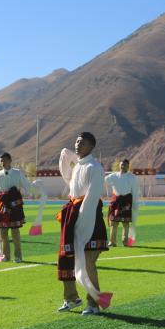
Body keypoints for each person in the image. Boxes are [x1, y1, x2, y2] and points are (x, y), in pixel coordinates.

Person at [56, 132, 112, 315]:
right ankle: (71, 298)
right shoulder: (78, 166)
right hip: (73, 216)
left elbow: (92, 197)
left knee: (88, 263)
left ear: (91, 146)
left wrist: (81, 224)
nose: (77, 145)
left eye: (82, 142)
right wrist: (67, 152)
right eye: (76, 141)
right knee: (67, 259)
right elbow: (66, 155)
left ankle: (94, 304)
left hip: (89, 218)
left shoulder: (94, 167)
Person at [0, 152, 31, 263]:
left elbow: (27, 185)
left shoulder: (18, 173)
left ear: (10, 160)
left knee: (15, 232)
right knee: (3, 232)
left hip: (15, 205)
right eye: (1, 161)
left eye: (4, 160)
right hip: (3, 205)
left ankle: (18, 256)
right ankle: (6, 256)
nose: (2, 163)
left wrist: (35, 188)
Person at [104, 159, 140, 247]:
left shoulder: (132, 177)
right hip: (116, 202)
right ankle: (112, 242)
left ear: (128, 166)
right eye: (121, 165)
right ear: (119, 166)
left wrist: (135, 204)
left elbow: (135, 191)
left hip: (126, 202)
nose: (123, 166)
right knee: (113, 222)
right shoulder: (113, 176)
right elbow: (104, 181)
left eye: (125, 165)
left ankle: (125, 242)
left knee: (126, 223)